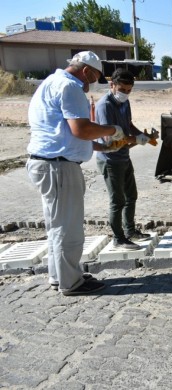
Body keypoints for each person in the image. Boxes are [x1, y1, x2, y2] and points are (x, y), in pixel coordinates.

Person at [27, 51, 126, 296]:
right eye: (93, 78)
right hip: (59, 167)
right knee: (68, 228)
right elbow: (80, 129)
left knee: (56, 226)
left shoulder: (49, 83)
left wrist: (100, 146)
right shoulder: (70, 87)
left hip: (47, 163)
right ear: (86, 71)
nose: (91, 84)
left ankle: (59, 275)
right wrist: (113, 130)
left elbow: (64, 131)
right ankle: (71, 282)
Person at [95, 69, 152, 251]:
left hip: (124, 156)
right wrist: (135, 140)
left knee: (131, 196)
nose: (125, 94)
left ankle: (130, 231)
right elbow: (109, 139)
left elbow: (128, 125)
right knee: (117, 201)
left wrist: (142, 135)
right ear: (112, 85)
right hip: (110, 159)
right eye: (122, 89)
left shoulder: (124, 103)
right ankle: (118, 239)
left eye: (129, 90)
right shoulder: (105, 106)